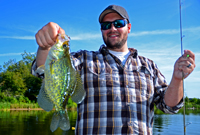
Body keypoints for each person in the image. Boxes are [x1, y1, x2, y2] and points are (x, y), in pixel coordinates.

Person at [32, 5, 196, 135]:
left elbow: (169, 107)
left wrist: (177, 79)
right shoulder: (83, 59)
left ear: (129, 27)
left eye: (118, 23)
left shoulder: (149, 66)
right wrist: (46, 46)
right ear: (102, 30)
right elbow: (45, 70)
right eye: (106, 25)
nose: (112, 28)